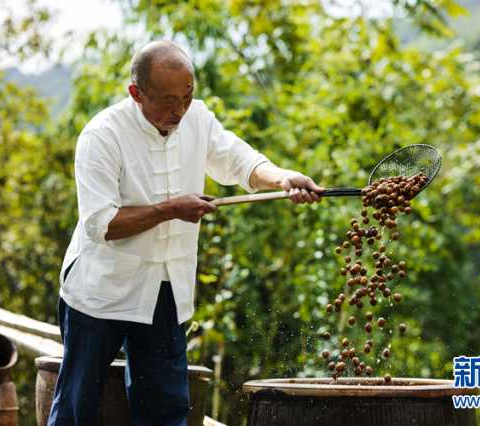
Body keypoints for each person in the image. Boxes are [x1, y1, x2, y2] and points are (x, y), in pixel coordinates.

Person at [48, 40, 324, 426]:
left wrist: (282, 178)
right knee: (78, 408)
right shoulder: (102, 136)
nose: (179, 110)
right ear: (136, 93)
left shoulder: (197, 118)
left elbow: (237, 160)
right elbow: (101, 224)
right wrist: (170, 210)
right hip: (100, 292)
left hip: (166, 288)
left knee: (165, 412)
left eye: (188, 96)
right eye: (166, 100)